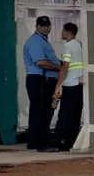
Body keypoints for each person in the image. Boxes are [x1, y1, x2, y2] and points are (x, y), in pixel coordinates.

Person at [21, 16, 62, 151]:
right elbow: (41, 62)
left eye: (47, 25)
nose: (46, 28)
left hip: (43, 79)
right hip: (40, 79)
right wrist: (60, 68)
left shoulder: (43, 41)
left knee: (40, 110)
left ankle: (35, 141)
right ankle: (41, 143)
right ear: (37, 26)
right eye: (43, 25)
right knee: (42, 111)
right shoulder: (35, 41)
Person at [50, 22, 86, 152]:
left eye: (63, 31)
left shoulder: (67, 46)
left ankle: (58, 141)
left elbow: (65, 66)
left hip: (69, 83)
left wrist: (58, 86)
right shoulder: (80, 45)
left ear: (68, 32)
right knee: (75, 114)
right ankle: (71, 141)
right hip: (79, 84)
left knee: (64, 114)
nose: (61, 33)